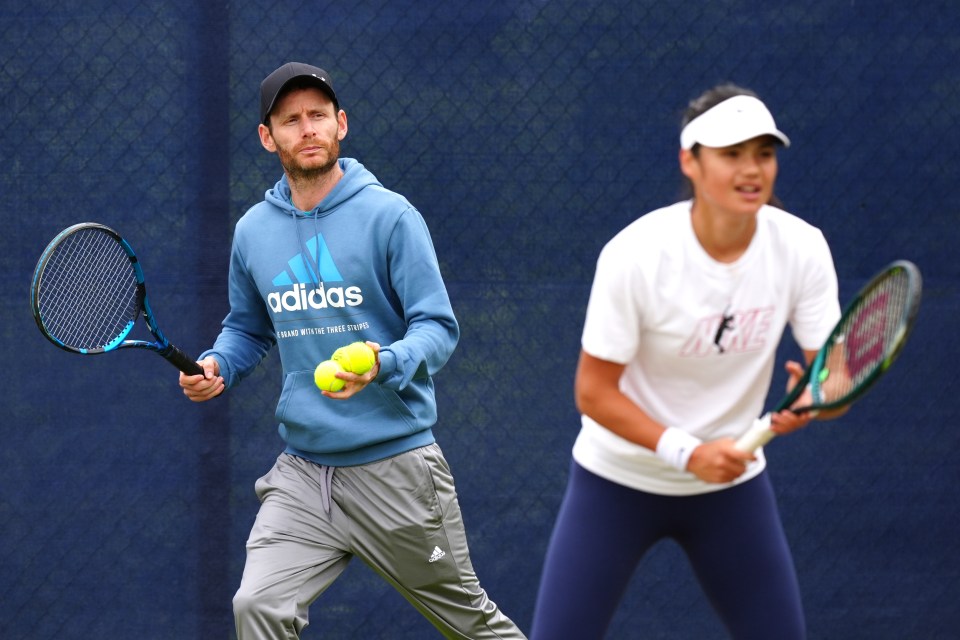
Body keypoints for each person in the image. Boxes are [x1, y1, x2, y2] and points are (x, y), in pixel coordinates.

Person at [180, 61, 526, 640]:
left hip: (397, 472)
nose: (307, 128)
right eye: (291, 120)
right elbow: (247, 327)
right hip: (303, 473)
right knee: (257, 606)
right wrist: (218, 364)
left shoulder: (390, 216)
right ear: (269, 138)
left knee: (473, 628)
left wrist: (383, 363)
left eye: (318, 115)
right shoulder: (253, 231)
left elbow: (437, 329)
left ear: (341, 123)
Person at [529, 84, 846, 639]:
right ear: (690, 163)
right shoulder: (636, 254)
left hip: (732, 488)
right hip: (617, 480)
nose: (752, 170)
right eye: (732, 154)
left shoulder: (802, 248)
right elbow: (593, 392)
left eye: (764, 154)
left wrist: (816, 401)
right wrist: (688, 451)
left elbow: (835, 378)